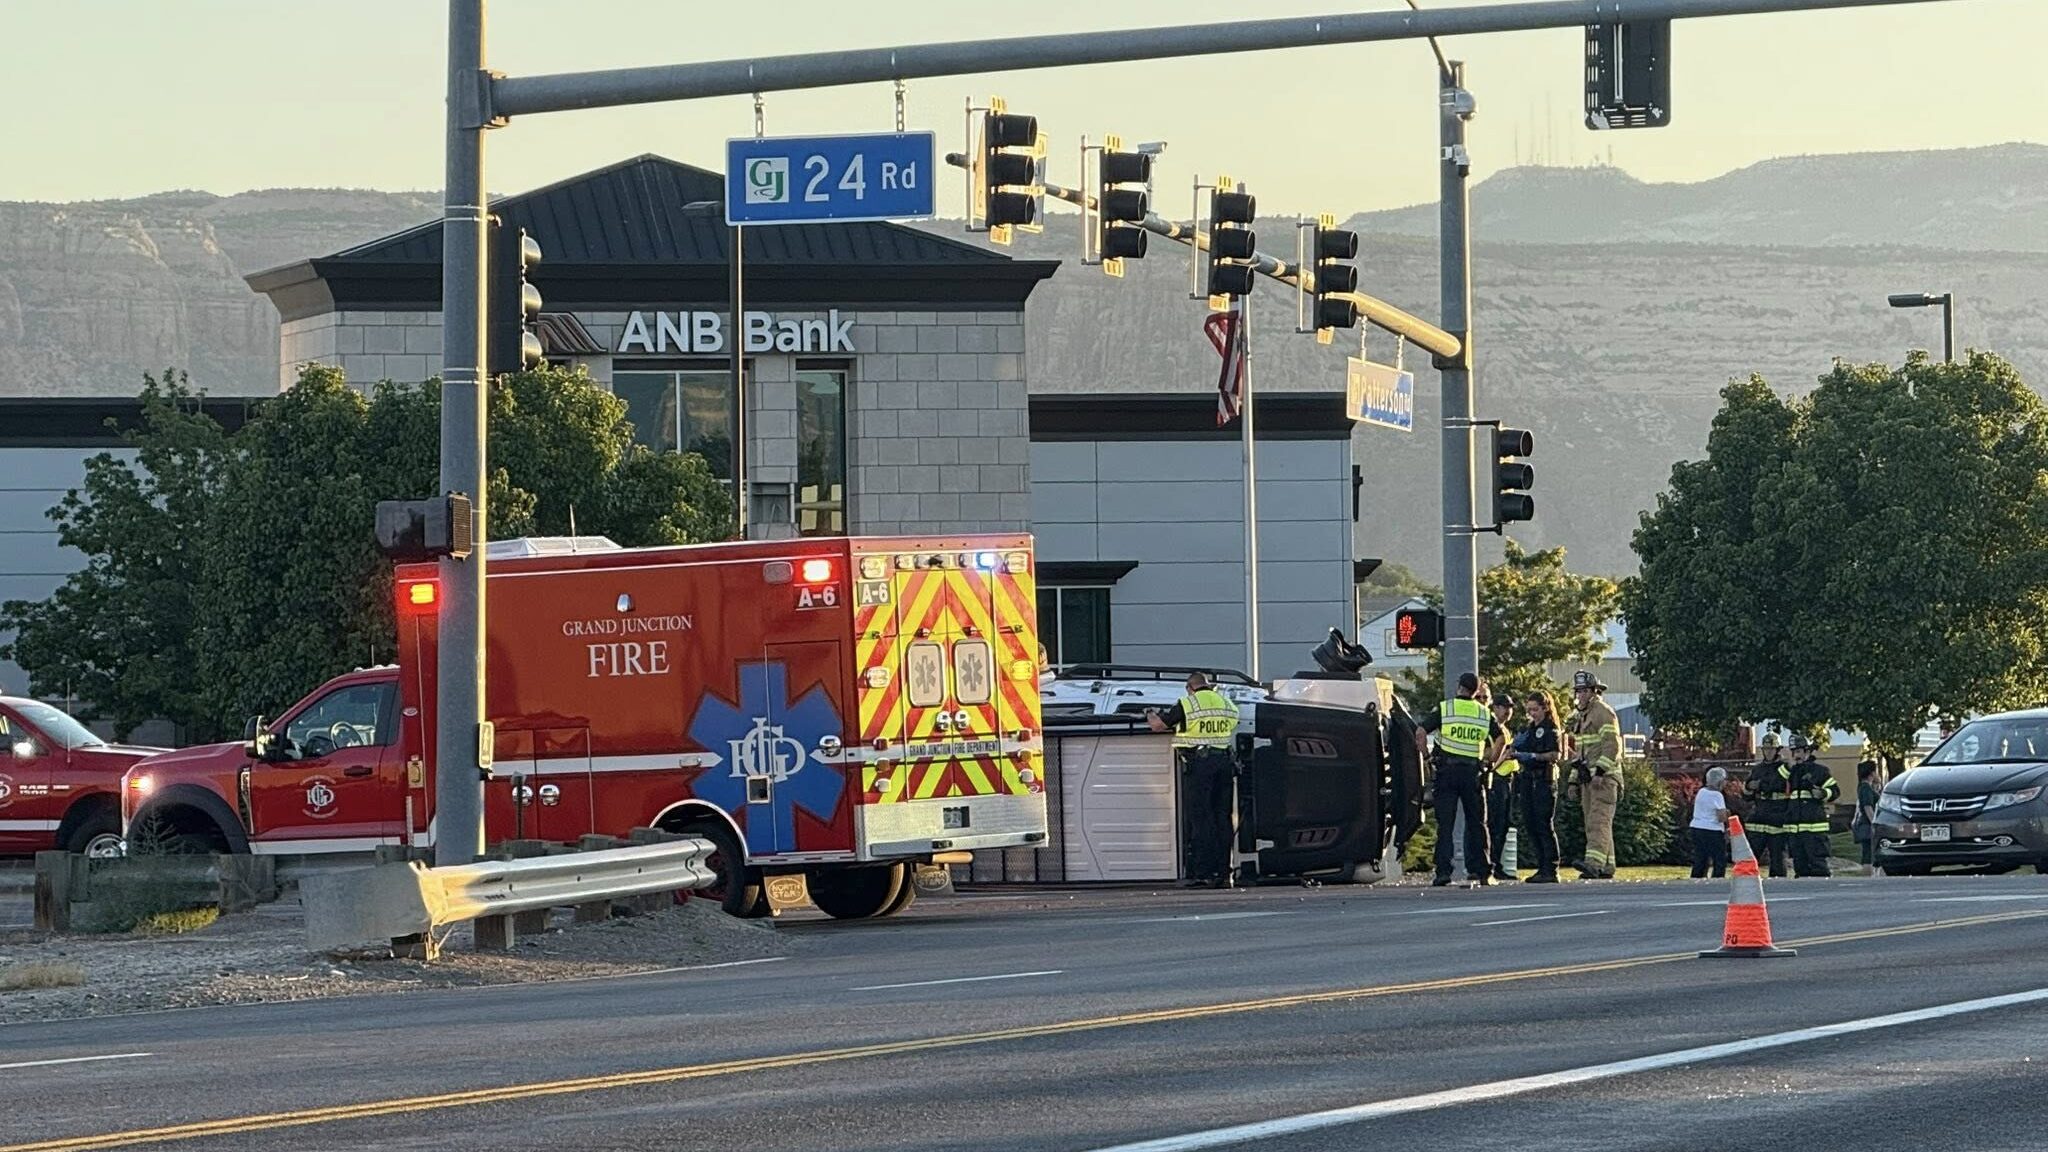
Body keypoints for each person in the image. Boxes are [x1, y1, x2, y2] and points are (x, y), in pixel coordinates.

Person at [1147, 672, 1241, 888]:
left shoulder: (1187, 704)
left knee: (1200, 819)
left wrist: (1149, 713)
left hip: (1201, 766)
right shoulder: (1226, 703)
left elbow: (1158, 726)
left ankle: (1202, 873)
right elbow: (1232, 723)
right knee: (1222, 819)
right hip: (1224, 764)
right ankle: (1225, 874)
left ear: (1190, 687)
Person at [1414, 672, 1506, 887]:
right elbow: (1501, 738)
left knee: (1445, 825)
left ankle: (1443, 872)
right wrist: (1490, 763)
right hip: (1472, 774)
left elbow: (1420, 732)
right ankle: (1484, 872)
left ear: (1459, 688)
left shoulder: (1446, 708)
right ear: (1476, 691)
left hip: (1446, 773)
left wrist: (1426, 758)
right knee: (1477, 824)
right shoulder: (1483, 713)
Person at [1564, 670, 1623, 880]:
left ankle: (1594, 864)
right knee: (1596, 821)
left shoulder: (1603, 712)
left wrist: (1600, 771)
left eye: (1583, 691)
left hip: (1603, 780)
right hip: (1588, 780)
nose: (1579, 695)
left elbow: (1613, 746)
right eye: (1578, 691)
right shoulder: (1582, 716)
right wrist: (1573, 780)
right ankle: (1607, 865)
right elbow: (1581, 753)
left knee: (1598, 821)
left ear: (1594, 691)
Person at [1511, 690, 1565, 884]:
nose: (1532, 713)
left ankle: (1551, 867)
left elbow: (1555, 755)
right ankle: (1541, 866)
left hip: (1544, 780)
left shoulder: (1551, 729)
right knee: (1531, 823)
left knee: (1543, 824)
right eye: (1529, 710)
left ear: (1545, 708)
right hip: (1528, 779)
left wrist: (1534, 757)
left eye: (1535, 709)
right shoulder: (1531, 729)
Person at [1787, 734, 1839, 878]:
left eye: (1798, 751)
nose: (1795, 755)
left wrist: (1822, 793)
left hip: (1814, 829)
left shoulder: (1819, 771)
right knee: (1800, 868)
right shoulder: (1791, 773)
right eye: (1793, 752)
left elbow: (1835, 791)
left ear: (1807, 752)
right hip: (1795, 830)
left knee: (1818, 866)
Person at [1744, 734, 1793, 879]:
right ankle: (1747, 880)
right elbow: (1747, 794)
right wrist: (1748, 787)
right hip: (1759, 817)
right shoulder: (1757, 768)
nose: (1768, 752)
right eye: (1766, 749)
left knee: (1778, 856)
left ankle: (1778, 884)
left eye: (1771, 749)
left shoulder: (1785, 767)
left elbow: (1775, 784)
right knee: (1751, 855)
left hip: (1778, 816)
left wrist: (1759, 785)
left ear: (1778, 750)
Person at [1486, 696, 1520, 881]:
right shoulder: (1492, 729)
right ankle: (1491, 864)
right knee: (1495, 824)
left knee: (1504, 824)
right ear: (1495, 708)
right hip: (1496, 780)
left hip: (1507, 780)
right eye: (1503, 707)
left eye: (1510, 707)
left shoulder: (1505, 730)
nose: (1507, 711)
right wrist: (1505, 756)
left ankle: (1497, 864)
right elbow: (1491, 757)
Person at [1690, 767, 1732, 878]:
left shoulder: (1701, 792)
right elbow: (1721, 818)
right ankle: (1717, 880)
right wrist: (1728, 814)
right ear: (1720, 781)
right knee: (1719, 859)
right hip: (1712, 830)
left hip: (1696, 828)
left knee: (1700, 857)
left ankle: (1696, 879)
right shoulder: (1717, 795)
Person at [1853, 754, 1884, 873]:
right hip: (1867, 826)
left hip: (1865, 825)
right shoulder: (1865, 788)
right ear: (1871, 773)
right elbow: (1868, 808)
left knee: (1869, 854)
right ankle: (1868, 876)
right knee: (1868, 855)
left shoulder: (1865, 787)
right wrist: (1875, 824)